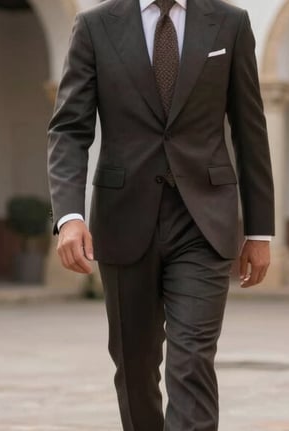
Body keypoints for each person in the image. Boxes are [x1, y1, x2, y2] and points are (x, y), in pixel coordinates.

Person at [47, 0, 274, 429]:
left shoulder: (230, 22)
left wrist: (259, 230)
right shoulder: (95, 26)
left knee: (192, 360)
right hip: (123, 218)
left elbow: (250, 128)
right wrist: (69, 216)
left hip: (205, 220)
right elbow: (69, 128)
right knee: (134, 365)